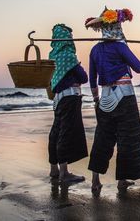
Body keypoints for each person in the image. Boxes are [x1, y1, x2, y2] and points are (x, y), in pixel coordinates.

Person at [85, 7, 140, 194]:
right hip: (125, 97)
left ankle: (95, 181)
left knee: (102, 139)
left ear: (103, 28)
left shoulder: (95, 50)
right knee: (128, 139)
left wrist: (96, 99)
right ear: (117, 27)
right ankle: (122, 181)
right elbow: (139, 68)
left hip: (104, 99)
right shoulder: (120, 47)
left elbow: (92, 79)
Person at [48, 23, 88, 183]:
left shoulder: (53, 56)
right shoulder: (69, 56)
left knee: (56, 132)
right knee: (65, 133)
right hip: (70, 98)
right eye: (70, 36)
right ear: (66, 38)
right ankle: (64, 173)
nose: (72, 39)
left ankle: (54, 169)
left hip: (58, 99)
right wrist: (78, 66)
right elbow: (83, 77)